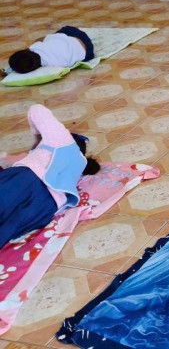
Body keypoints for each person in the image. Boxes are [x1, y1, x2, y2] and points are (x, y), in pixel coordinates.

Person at [0, 104, 100, 248]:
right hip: (44, 207)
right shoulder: (78, 165)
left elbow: (36, 109)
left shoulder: (60, 139)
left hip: (25, 183)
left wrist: (37, 141)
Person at [8, 25, 95, 73]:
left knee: (55, 38)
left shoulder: (50, 67)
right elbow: (39, 41)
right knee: (66, 29)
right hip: (80, 39)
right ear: (28, 50)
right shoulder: (36, 47)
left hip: (87, 54)